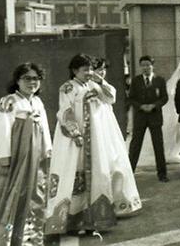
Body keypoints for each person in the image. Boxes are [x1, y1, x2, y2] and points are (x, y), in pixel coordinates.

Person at [45, 54, 129, 235]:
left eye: (90, 69)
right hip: (76, 141)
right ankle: (74, 223)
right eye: (85, 70)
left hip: (96, 141)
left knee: (97, 176)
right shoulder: (68, 88)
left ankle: (94, 220)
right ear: (75, 71)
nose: (89, 73)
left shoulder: (93, 85)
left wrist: (100, 80)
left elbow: (111, 97)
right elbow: (65, 112)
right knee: (76, 179)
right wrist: (75, 134)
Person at [0, 63, 54, 246]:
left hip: (36, 161)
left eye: (35, 78)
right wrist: (5, 159)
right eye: (27, 78)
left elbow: (44, 129)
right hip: (16, 161)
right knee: (12, 204)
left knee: (35, 202)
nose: (32, 82)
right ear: (17, 81)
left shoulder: (37, 102)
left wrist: (47, 152)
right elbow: (0, 130)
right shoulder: (10, 102)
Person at [91, 58, 142, 218]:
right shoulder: (87, 86)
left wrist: (101, 82)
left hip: (108, 126)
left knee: (116, 162)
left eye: (103, 69)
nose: (102, 72)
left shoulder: (104, 85)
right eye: (98, 69)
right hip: (96, 125)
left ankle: (121, 203)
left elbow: (111, 97)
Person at [128, 55, 169, 182]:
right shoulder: (135, 81)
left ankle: (162, 174)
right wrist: (140, 106)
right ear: (140, 67)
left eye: (148, 65)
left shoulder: (160, 80)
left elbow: (164, 98)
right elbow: (131, 98)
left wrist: (154, 106)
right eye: (143, 65)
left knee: (158, 145)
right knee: (135, 145)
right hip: (140, 117)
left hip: (155, 117)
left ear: (152, 66)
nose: (146, 68)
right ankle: (129, 173)